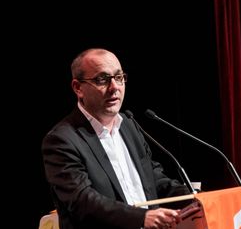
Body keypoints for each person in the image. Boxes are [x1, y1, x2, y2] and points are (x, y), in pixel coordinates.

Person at [41, 48, 191, 229]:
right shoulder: (61, 140)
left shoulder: (128, 125)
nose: (114, 88)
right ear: (78, 88)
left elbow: (153, 179)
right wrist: (141, 218)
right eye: (102, 79)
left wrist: (195, 197)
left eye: (119, 77)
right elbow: (82, 201)